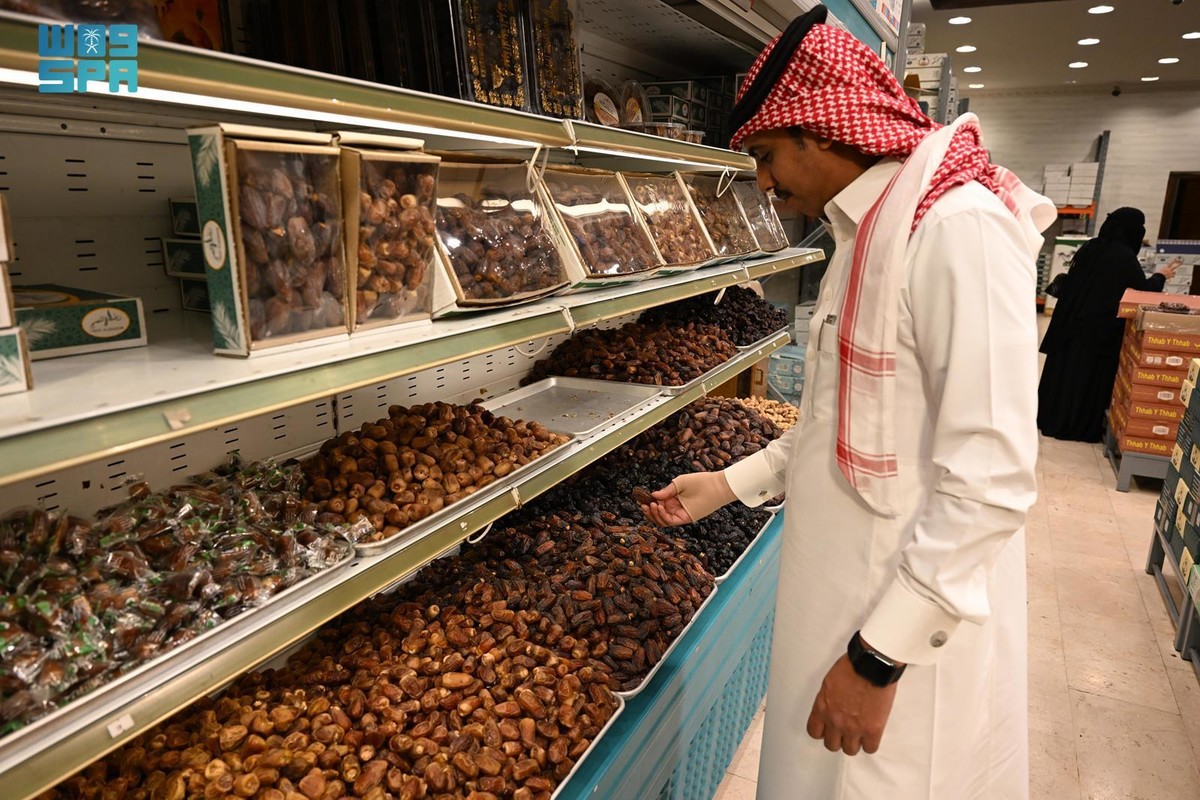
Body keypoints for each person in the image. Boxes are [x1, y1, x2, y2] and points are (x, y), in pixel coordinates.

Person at [639, 6, 1056, 799]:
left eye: (766, 155)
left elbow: (993, 478)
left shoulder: (956, 231)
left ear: (820, 131)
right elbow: (843, 421)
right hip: (837, 609)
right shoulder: (866, 235)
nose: (764, 183)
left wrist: (879, 658)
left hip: (902, 641)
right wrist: (728, 483)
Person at [1038, 207, 1180, 442]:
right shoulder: (1123, 258)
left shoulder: (1092, 247)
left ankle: (1048, 417)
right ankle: (1073, 426)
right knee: (1084, 381)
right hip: (1096, 335)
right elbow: (1140, 292)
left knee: (1062, 375)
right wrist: (1161, 276)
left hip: (1069, 327)